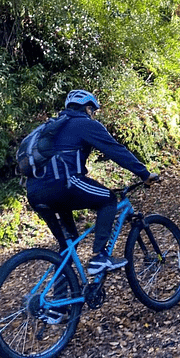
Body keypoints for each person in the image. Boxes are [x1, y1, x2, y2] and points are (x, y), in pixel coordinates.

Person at [26, 89, 159, 275]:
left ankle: (61, 302)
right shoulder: (83, 124)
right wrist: (144, 174)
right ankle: (99, 257)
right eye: (93, 110)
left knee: (67, 247)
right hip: (63, 184)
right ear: (87, 108)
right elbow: (115, 150)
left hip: (34, 190)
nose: (93, 114)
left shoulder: (51, 127)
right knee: (109, 199)